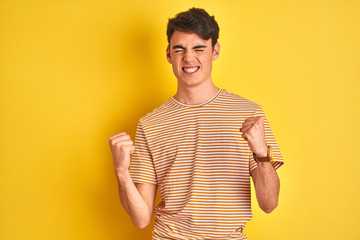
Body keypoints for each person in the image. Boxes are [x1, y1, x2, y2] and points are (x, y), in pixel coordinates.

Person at [108, 7, 284, 240]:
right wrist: (121, 172)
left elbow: (269, 203)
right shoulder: (150, 124)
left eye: (199, 48)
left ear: (215, 51)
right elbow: (141, 219)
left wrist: (262, 154)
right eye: (179, 49)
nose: (188, 58)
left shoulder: (248, 114)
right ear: (169, 54)